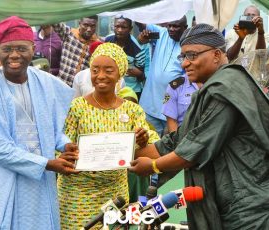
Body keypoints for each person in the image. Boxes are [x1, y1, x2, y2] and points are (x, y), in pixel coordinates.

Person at [130, 23, 269, 230]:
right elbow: (178, 142)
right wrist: (133, 148)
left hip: (254, 206)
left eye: (192, 55)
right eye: (183, 57)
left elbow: (193, 151)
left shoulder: (226, 89)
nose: (185, 63)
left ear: (216, 55)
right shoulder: (212, 89)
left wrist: (152, 166)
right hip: (236, 201)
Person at [0, 16, 79, 230]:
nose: (14, 55)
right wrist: (46, 164)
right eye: (7, 49)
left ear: (33, 47)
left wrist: (65, 145)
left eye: (21, 48)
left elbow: (51, 129)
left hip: (38, 185)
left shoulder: (45, 82)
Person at [58, 42, 159, 229]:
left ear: (120, 73)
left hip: (116, 194)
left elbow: (153, 150)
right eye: (95, 70)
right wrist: (65, 155)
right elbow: (60, 146)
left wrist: (141, 142)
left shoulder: (132, 110)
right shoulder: (76, 107)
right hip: (76, 194)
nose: (100, 76)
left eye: (108, 70)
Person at [137, 16, 188, 136]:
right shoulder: (161, 33)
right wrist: (142, 36)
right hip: (149, 105)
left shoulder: (189, 44)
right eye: (170, 25)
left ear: (185, 28)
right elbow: (140, 22)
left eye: (176, 26)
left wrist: (174, 83)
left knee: (165, 147)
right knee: (147, 142)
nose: (171, 29)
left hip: (171, 111)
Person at [106, 16, 146, 98]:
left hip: (130, 91)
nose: (119, 30)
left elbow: (143, 74)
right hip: (111, 88)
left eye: (123, 27)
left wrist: (139, 73)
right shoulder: (108, 41)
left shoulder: (137, 49)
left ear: (130, 28)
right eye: (117, 26)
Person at [53, 16, 100, 86]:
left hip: (81, 88)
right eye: (86, 25)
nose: (89, 29)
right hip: (62, 84)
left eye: (93, 26)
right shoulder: (69, 33)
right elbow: (53, 21)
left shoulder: (98, 45)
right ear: (80, 23)